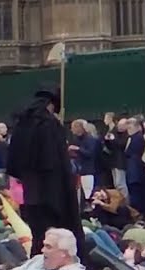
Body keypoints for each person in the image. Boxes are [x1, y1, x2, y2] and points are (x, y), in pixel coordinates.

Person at [6, 88, 86, 257]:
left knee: (38, 236)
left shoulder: (22, 124)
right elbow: (59, 162)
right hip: (53, 192)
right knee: (56, 236)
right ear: (51, 105)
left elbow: (13, 161)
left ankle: (38, 262)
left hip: (31, 191)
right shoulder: (50, 125)